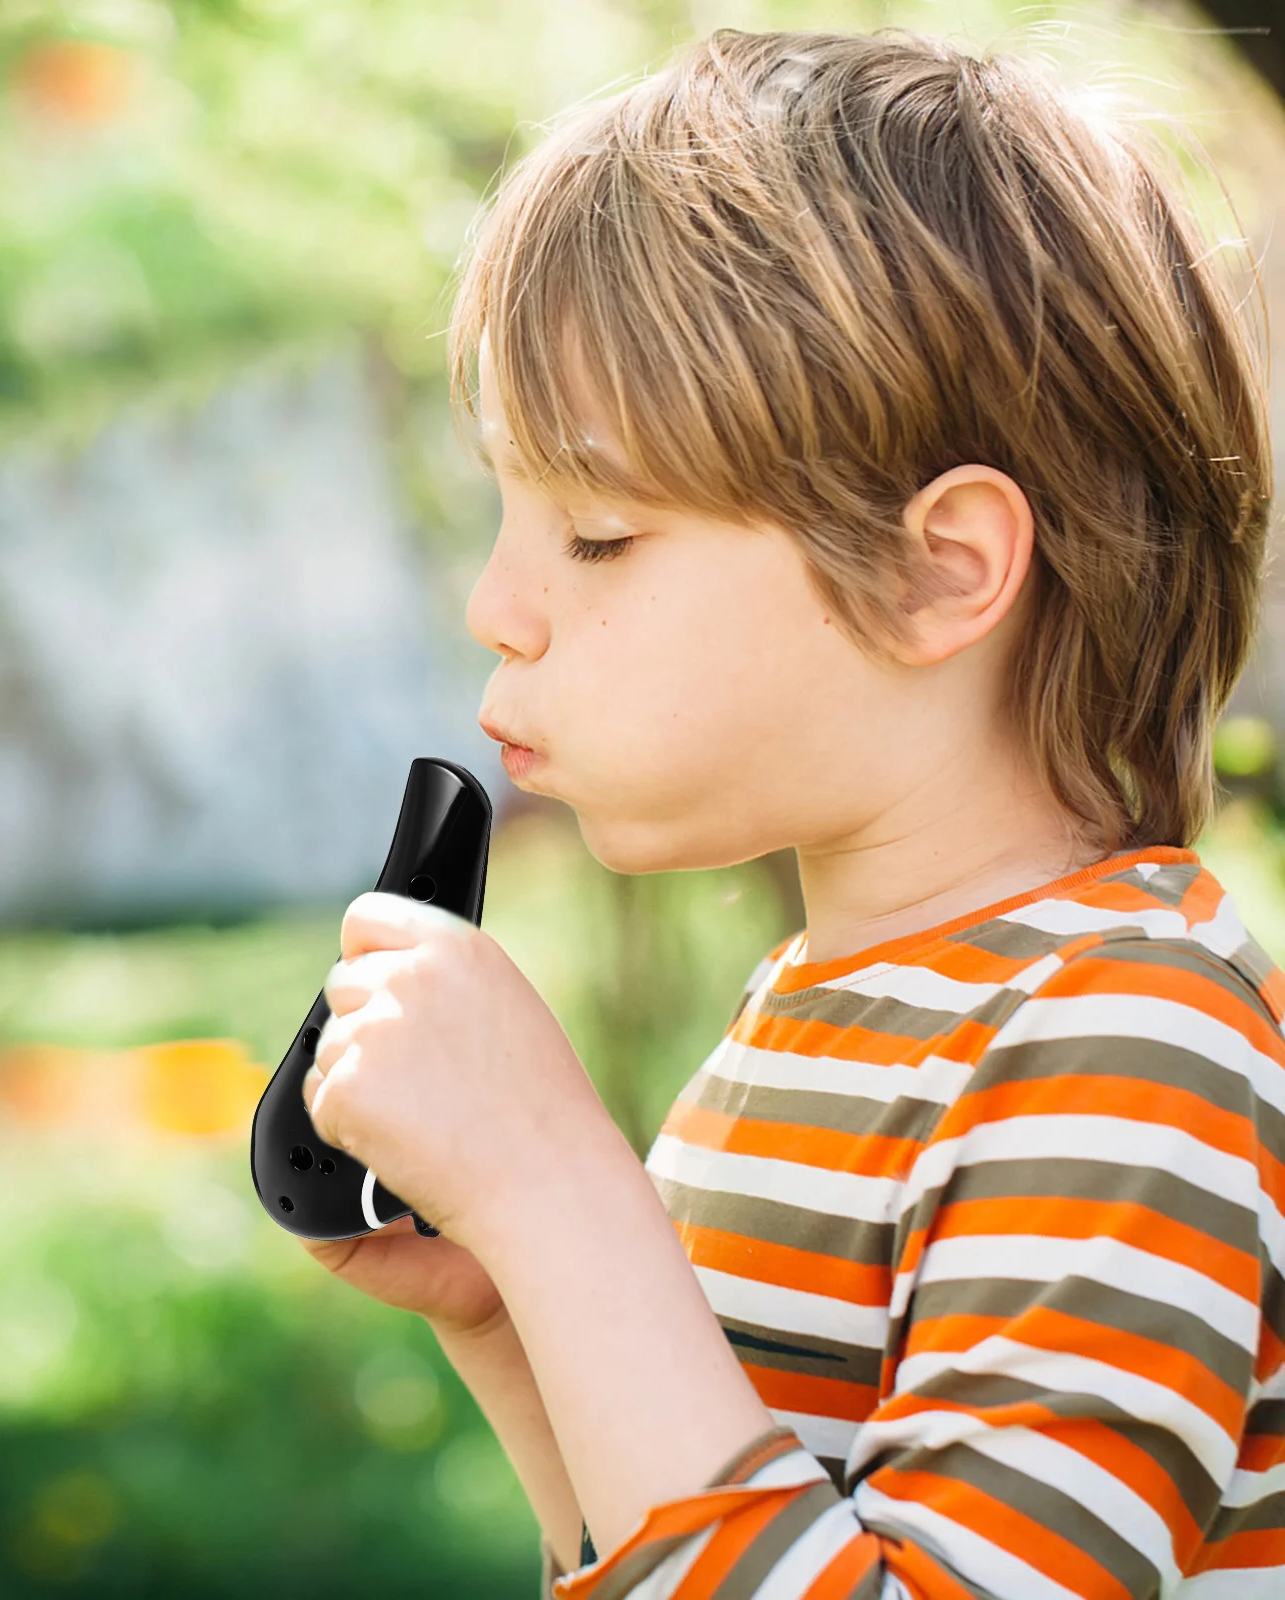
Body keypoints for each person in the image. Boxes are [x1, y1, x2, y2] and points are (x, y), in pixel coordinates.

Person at [296, 27, 1284, 1597]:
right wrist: (513, 1314)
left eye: (602, 534)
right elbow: (704, 1558)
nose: (499, 604)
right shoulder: (832, 1019)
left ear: (935, 569)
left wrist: (566, 1197)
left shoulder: (1128, 1055)